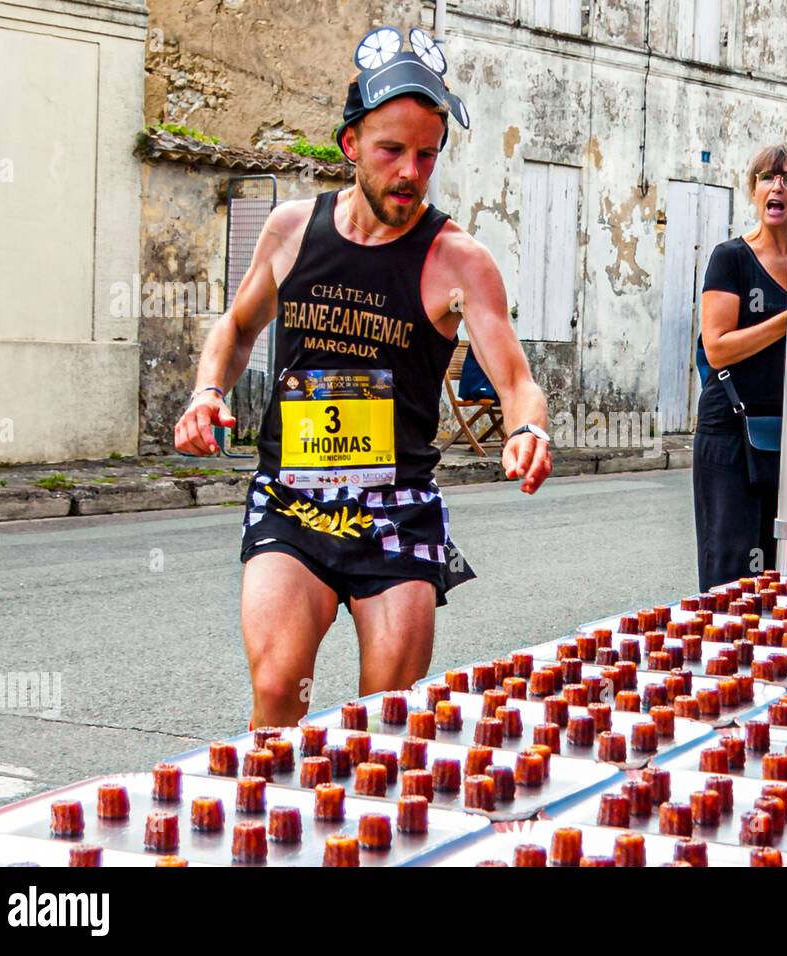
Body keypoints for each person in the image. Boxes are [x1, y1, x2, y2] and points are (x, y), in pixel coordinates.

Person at [174, 28, 552, 728]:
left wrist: (528, 428)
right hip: (292, 500)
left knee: (384, 723)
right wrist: (207, 392)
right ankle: (275, 825)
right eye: (391, 150)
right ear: (351, 146)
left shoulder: (459, 261)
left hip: (398, 511)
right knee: (280, 689)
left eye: (427, 154)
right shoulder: (291, 231)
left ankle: (365, 835)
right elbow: (235, 328)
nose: (410, 171)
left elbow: (517, 379)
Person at [693, 143, 787, 591]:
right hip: (730, 429)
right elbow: (717, 349)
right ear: (753, 191)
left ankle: (769, 658)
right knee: (732, 566)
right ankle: (722, 656)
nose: (777, 186)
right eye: (767, 177)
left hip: (785, 430)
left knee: (780, 561)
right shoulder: (730, 257)